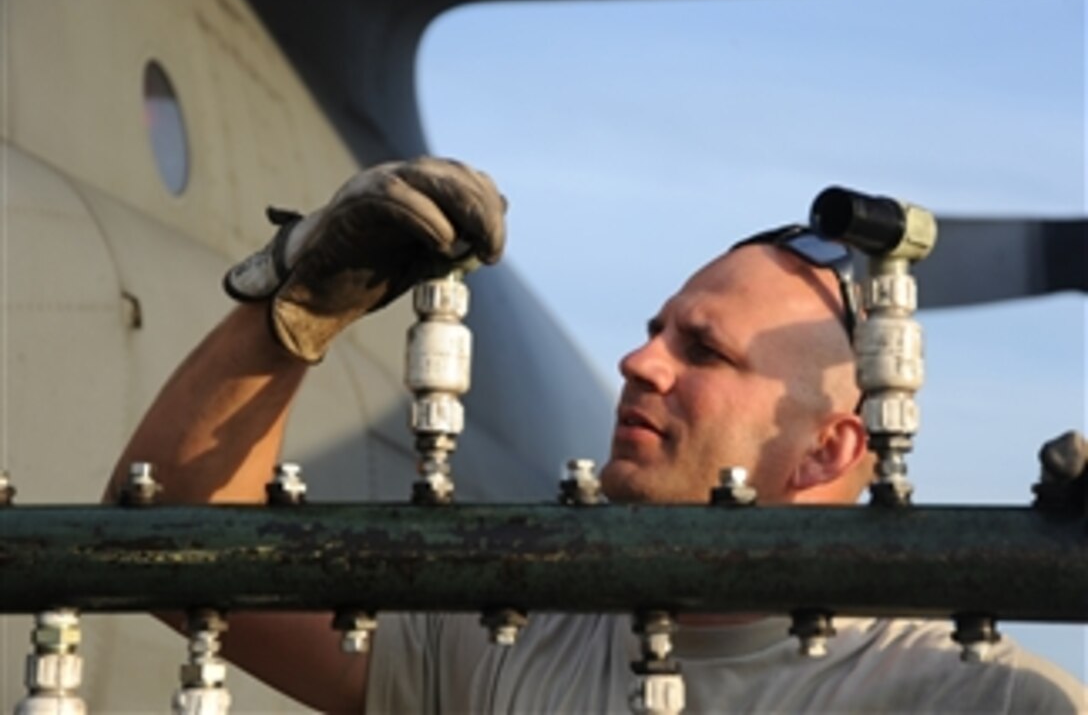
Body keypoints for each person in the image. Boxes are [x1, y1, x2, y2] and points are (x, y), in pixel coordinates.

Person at [106, 158, 1085, 713]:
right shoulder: (501, 642)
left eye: (701, 349)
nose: (638, 360)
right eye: (655, 328)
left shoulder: (980, 698)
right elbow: (174, 541)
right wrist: (294, 302)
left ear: (827, 451)